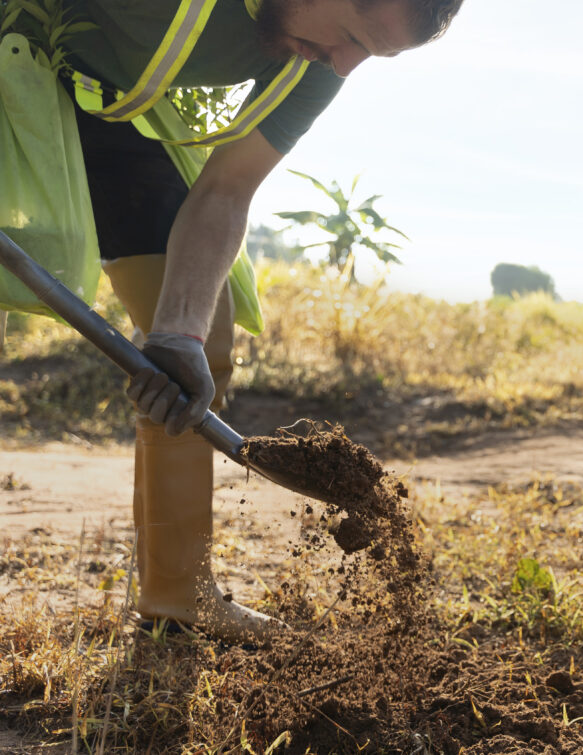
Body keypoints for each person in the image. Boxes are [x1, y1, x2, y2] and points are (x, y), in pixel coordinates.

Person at [45, 0, 464, 644]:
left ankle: (178, 597)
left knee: (202, 324)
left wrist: (176, 334)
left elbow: (227, 188)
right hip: (24, 58)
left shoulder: (316, 61)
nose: (346, 65)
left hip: (112, 109)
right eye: (353, 36)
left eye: (372, 56)